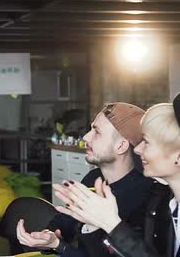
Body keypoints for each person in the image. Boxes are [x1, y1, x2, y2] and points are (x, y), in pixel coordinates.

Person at [17, 102, 153, 257]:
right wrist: (50, 237)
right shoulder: (93, 178)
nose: (86, 137)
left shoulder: (145, 196)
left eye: (97, 132)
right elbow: (64, 221)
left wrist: (61, 246)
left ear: (121, 146)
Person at [53, 93, 180, 257]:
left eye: (146, 142)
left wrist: (110, 223)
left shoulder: (150, 198)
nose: (137, 149)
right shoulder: (165, 203)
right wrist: (59, 243)